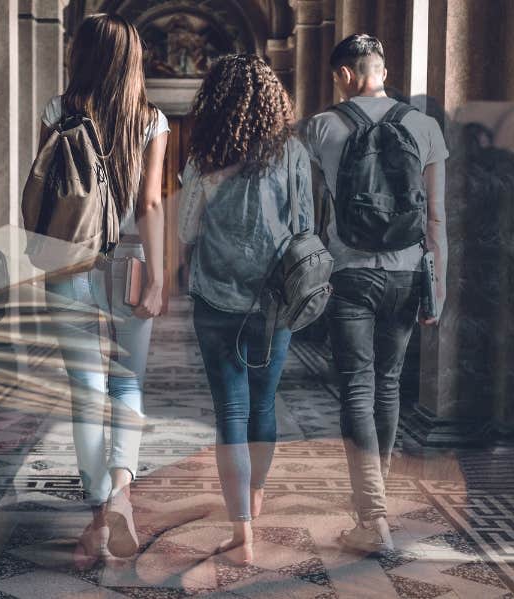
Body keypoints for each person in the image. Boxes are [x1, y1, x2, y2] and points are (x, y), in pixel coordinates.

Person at [303, 34, 449, 553]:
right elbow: (435, 217)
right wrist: (440, 284)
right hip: (409, 273)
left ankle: (374, 517)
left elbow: (313, 213)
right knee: (388, 386)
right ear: (383, 71)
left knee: (357, 391)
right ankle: (377, 508)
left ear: (343, 74)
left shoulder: (322, 127)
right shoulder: (424, 126)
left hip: (350, 275)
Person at [38, 14, 169, 566]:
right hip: (133, 257)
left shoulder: (56, 111)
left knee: (86, 389)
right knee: (126, 383)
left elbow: (46, 188)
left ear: (82, 54)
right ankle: (120, 496)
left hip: (68, 258)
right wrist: (160, 276)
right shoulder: (151, 120)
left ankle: (101, 510)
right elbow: (151, 204)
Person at [179, 54, 313, 566]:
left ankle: (243, 532)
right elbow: (304, 225)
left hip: (215, 296)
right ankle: (255, 500)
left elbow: (186, 230)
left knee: (230, 412)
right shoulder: (292, 151)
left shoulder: (203, 155)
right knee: (263, 405)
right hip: (275, 300)